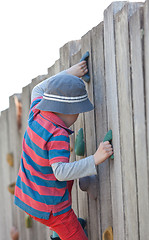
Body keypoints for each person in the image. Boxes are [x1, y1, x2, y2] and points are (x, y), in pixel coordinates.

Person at [14, 60, 113, 240]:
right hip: (53, 209)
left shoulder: (37, 110)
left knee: (64, 180)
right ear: (70, 110)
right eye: (78, 111)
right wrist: (95, 159)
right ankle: (61, 234)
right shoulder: (58, 135)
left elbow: (37, 89)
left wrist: (69, 72)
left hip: (30, 193)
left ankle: (57, 235)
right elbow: (60, 172)